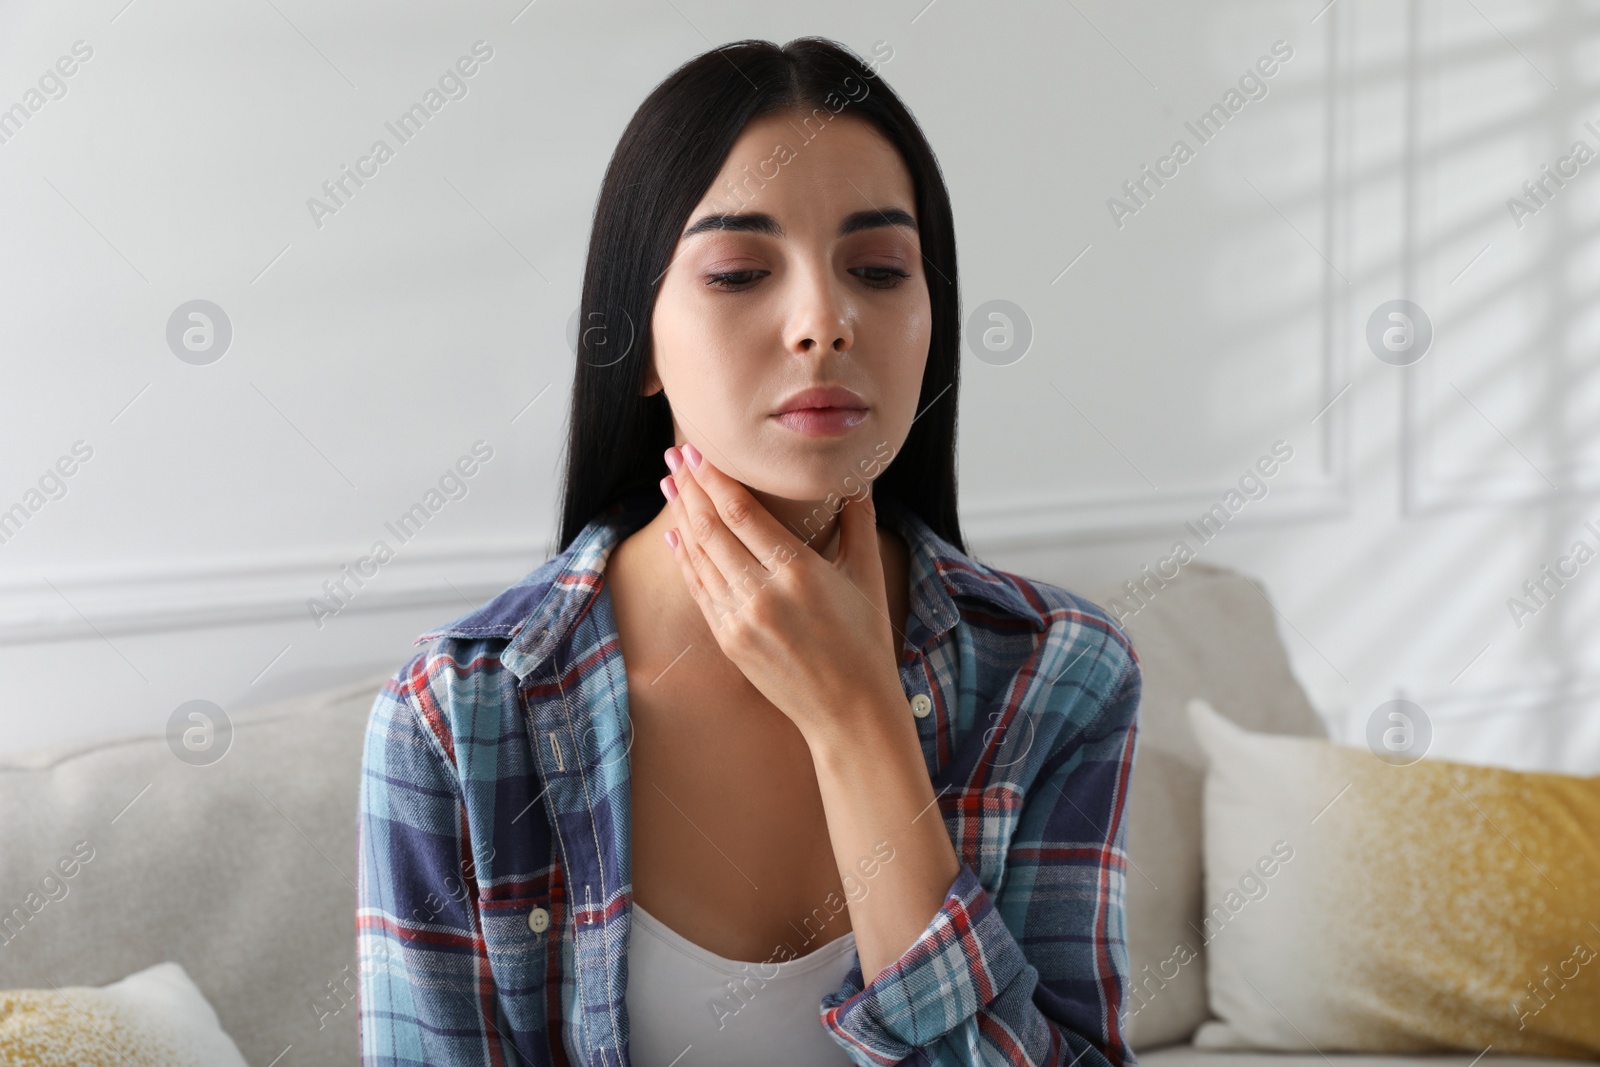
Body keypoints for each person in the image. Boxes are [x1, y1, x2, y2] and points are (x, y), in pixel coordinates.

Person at [356, 35, 1142, 1067]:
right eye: (737, 272)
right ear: (633, 343)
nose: (824, 319)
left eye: (877, 269)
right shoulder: (459, 714)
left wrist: (859, 719)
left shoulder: (1058, 673)